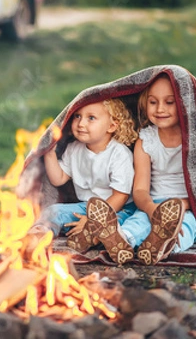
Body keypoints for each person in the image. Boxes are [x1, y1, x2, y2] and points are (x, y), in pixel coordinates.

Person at [84, 74, 196, 265]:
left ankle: (163, 246)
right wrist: (152, 210)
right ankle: (122, 241)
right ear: (144, 104)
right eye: (153, 102)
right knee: (137, 222)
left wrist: (180, 207)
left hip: (187, 207)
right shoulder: (146, 140)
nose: (160, 109)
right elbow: (140, 189)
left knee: (187, 227)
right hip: (152, 203)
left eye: (169, 102)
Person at [29, 98, 138, 257]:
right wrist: (50, 152)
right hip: (86, 206)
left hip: (118, 208)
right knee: (53, 211)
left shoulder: (119, 154)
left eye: (91, 118)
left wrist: (92, 220)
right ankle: (40, 233)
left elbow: (120, 196)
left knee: (118, 223)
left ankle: (96, 235)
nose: (80, 123)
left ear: (112, 125)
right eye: (77, 116)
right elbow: (58, 179)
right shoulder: (74, 149)